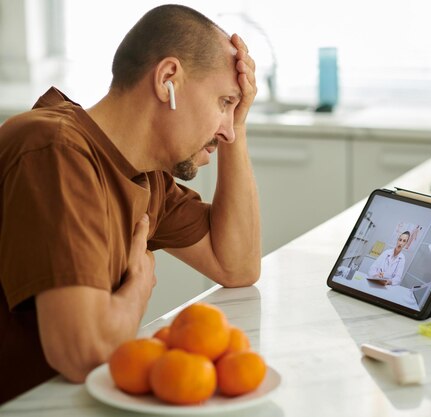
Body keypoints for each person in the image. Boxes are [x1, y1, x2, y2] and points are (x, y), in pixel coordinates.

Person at [0, 5, 260, 404]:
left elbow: (237, 265)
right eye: (224, 102)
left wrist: (237, 127)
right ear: (167, 79)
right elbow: (82, 354)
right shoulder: (54, 150)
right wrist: (138, 286)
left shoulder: (146, 175)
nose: (225, 131)